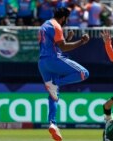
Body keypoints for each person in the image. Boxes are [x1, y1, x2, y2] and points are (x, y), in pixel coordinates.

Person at [38, 7, 90, 141]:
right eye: (66, 19)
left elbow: (54, 45)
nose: (66, 22)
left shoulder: (44, 25)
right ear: (63, 18)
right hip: (53, 60)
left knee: (53, 95)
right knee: (84, 73)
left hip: (42, 63)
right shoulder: (57, 26)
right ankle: (55, 83)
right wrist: (81, 42)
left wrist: (67, 38)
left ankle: (53, 124)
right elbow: (64, 47)